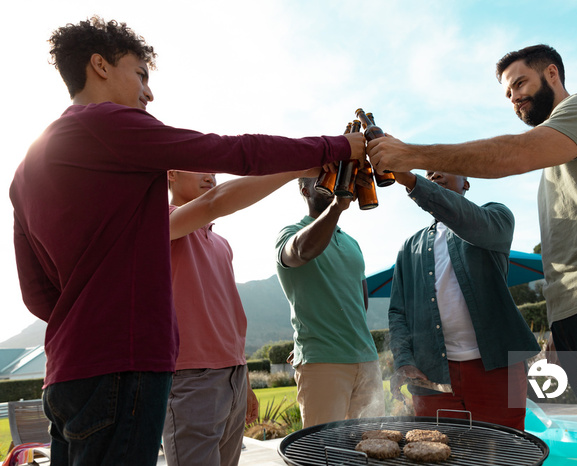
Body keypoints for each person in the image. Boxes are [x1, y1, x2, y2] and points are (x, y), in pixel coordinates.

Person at [9, 16, 364, 466]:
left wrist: (87, 319)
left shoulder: (24, 172)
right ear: (99, 66)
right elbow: (237, 152)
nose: (148, 93)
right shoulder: (108, 125)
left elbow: (38, 295)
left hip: (64, 374)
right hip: (126, 364)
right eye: (140, 74)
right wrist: (335, 148)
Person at [367, 44, 577, 465]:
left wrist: (411, 155)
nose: (514, 97)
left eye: (520, 83)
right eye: (507, 93)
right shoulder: (558, 161)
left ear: (552, 74)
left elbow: (514, 154)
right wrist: (560, 321)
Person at [164, 169, 313, 465]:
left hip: (232, 376)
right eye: (201, 168)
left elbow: (230, 316)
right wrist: (298, 165)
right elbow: (215, 202)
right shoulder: (159, 222)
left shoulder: (222, 244)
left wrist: (243, 379)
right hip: (190, 378)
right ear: (172, 174)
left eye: (214, 171)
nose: (210, 177)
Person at [388, 170, 540, 430]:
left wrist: (415, 183)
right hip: (430, 376)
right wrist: (403, 359)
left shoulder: (496, 217)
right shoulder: (408, 247)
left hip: (498, 369)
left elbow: (471, 221)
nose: (434, 172)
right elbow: (398, 312)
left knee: (509, 451)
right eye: (427, 172)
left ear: (467, 182)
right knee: (437, 453)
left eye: (445, 165)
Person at [275, 177, 385, 428]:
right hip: (322, 362)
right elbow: (302, 251)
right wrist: (337, 206)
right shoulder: (290, 233)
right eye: (321, 178)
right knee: (323, 452)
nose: (332, 181)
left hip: (367, 360)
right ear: (304, 190)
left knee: (374, 447)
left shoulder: (352, 242)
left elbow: (360, 301)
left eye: (334, 175)